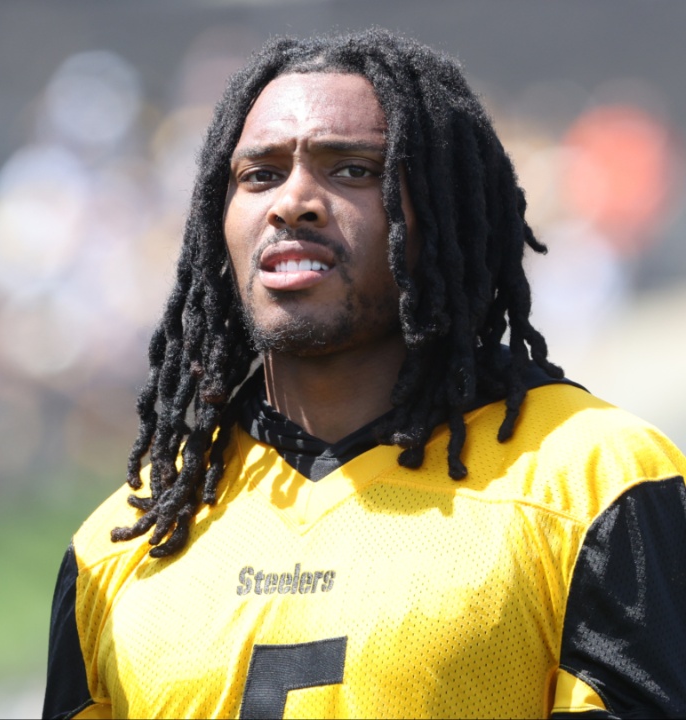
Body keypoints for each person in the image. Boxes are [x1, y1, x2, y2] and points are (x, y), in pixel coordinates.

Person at [43, 30, 686, 719]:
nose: (292, 202)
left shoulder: (595, 482)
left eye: (351, 169)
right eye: (259, 175)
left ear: (441, 210)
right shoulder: (124, 543)